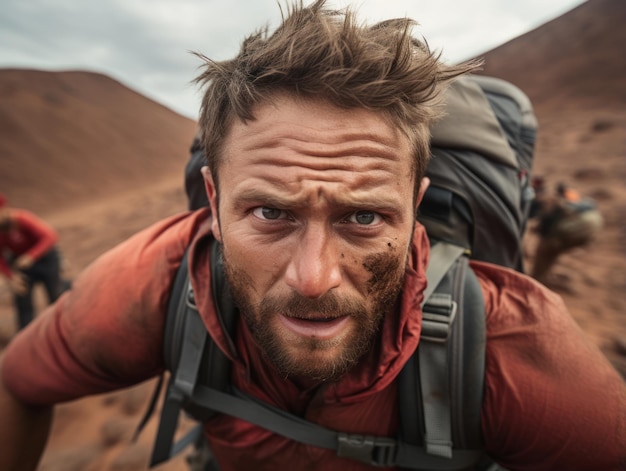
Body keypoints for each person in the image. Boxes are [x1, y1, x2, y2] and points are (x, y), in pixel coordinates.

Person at [0, 2, 624, 470]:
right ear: (213, 203)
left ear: (415, 207)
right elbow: (18, 382)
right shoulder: (161, 285)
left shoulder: (504, 343)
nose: (313, 278)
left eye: (364, 217)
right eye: (271, 214)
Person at [0, 194, 70, 331]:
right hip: (21, 263)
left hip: (45, 258)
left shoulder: (22, 219)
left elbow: (50, 236)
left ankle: (63, 328)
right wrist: (11, 277)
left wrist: (31, 256)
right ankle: (25, 336)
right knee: (22, 300)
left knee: (55, 294)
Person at [530, 180, 604, 282]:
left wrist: (540, 229)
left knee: (545, 252)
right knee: (550, 252)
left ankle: (537, 281)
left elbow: (548, 222)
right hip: (593, 224)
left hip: (576, 227)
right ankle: (542, 279)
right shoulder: (573, 197)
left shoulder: (550, 201)